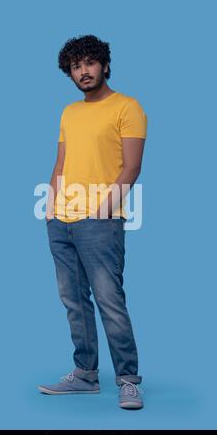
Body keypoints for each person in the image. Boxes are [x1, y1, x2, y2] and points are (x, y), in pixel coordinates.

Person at [38, 35, 148, 409]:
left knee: (109, 301)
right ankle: (85, 375)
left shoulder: (127, 107)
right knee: (73, 301)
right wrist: (51, 207)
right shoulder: (69, 112)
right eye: (75, 66)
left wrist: (102, 210)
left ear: (103, 64)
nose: (83, 71)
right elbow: (61, 163)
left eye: (89, 63)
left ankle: (128, 379)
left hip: (100, 221)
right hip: (61, 221)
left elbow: (131, 167)